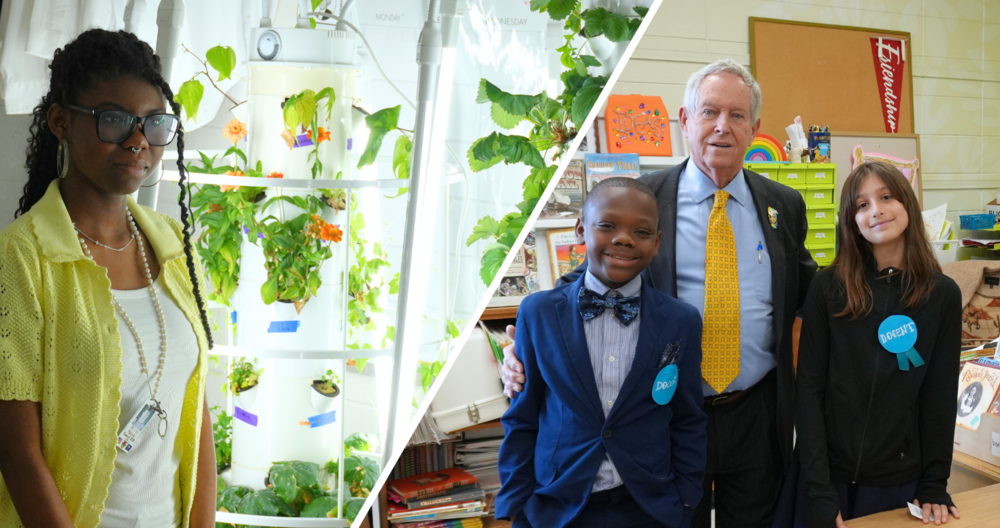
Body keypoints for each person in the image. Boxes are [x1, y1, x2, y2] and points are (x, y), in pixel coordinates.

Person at [502, 58, 816, 527]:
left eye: (736, 115)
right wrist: (523, 347)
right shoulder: (644, 197)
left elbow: (807, 286)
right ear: (686, 121)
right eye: (709, 112)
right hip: (660, 414)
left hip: (756, 410)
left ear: (754, 128)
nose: (722, 127)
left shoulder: (783, 205)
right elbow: (596, 272)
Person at [0, 29, 217, 528]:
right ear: (61, 123)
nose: (139, 140)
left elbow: (194, 405)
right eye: (114, 120)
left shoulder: (174, 246)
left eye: (154, 123)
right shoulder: (22, 259)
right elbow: (18, 456)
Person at [495, 178, 706, 528]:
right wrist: (515, 501)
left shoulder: (680, 321)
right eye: (607, 226)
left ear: (657, 243)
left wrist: (684, 499)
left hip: (648, 504)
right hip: (557, 503)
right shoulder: (538, 312)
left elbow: (687, 418)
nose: (624, 238)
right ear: (580, 230)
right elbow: (523, 415)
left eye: (641, 232)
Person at [792, 161, 962, 527]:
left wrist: (934, 483)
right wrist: (819, 491)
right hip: (826, 480)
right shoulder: (828, 288)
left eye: (886, 197)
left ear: (907, 205)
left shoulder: (942, 295)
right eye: (862, 205)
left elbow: (940, 395)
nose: (876, 211)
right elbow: (808, 391)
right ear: (850, 221)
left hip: (896, 481)